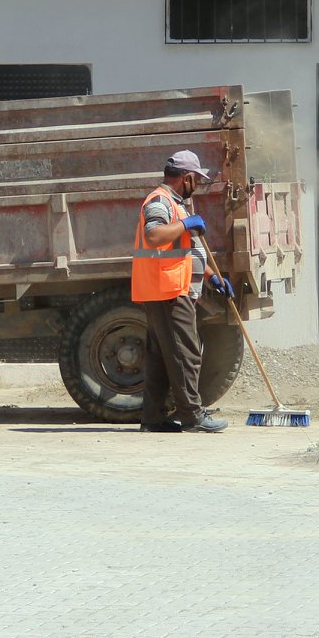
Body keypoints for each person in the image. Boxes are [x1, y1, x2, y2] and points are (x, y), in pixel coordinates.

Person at [131, 149, 233, 433]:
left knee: (162, 356)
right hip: (168, 290)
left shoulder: (177, 204)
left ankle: (152, 418)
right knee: (185, 353)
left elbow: (187, 250)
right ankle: (193, 417)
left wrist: (212, 277)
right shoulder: (160, 202)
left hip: (169, 288)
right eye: (196, 180)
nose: (197, 185)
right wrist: (185, 223)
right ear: (186, 178)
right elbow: (154, 236)